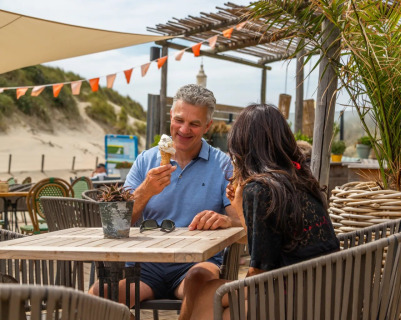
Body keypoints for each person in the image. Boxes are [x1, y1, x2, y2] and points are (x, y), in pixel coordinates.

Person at [88, 84, 241, 318]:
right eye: (179, 120)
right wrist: (145, 191)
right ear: (171, 116)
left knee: (200, 281)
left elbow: (240, 222)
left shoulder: (223, 164)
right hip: (145, 265)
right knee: (98, 295)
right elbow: (118, 223)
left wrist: (225, 220)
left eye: (194, 124)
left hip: (197, 263)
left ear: (208, 126)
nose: (184, 129)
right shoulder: (145, 160)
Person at [180, 104, 340, 320]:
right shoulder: (300, 180)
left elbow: (259, 267)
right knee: (205, 292)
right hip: (324, 291)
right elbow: (269, 241)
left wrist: (239, 206)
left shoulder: (260, 189)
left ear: (243, 144)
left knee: (206, 297)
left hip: (290, 298)